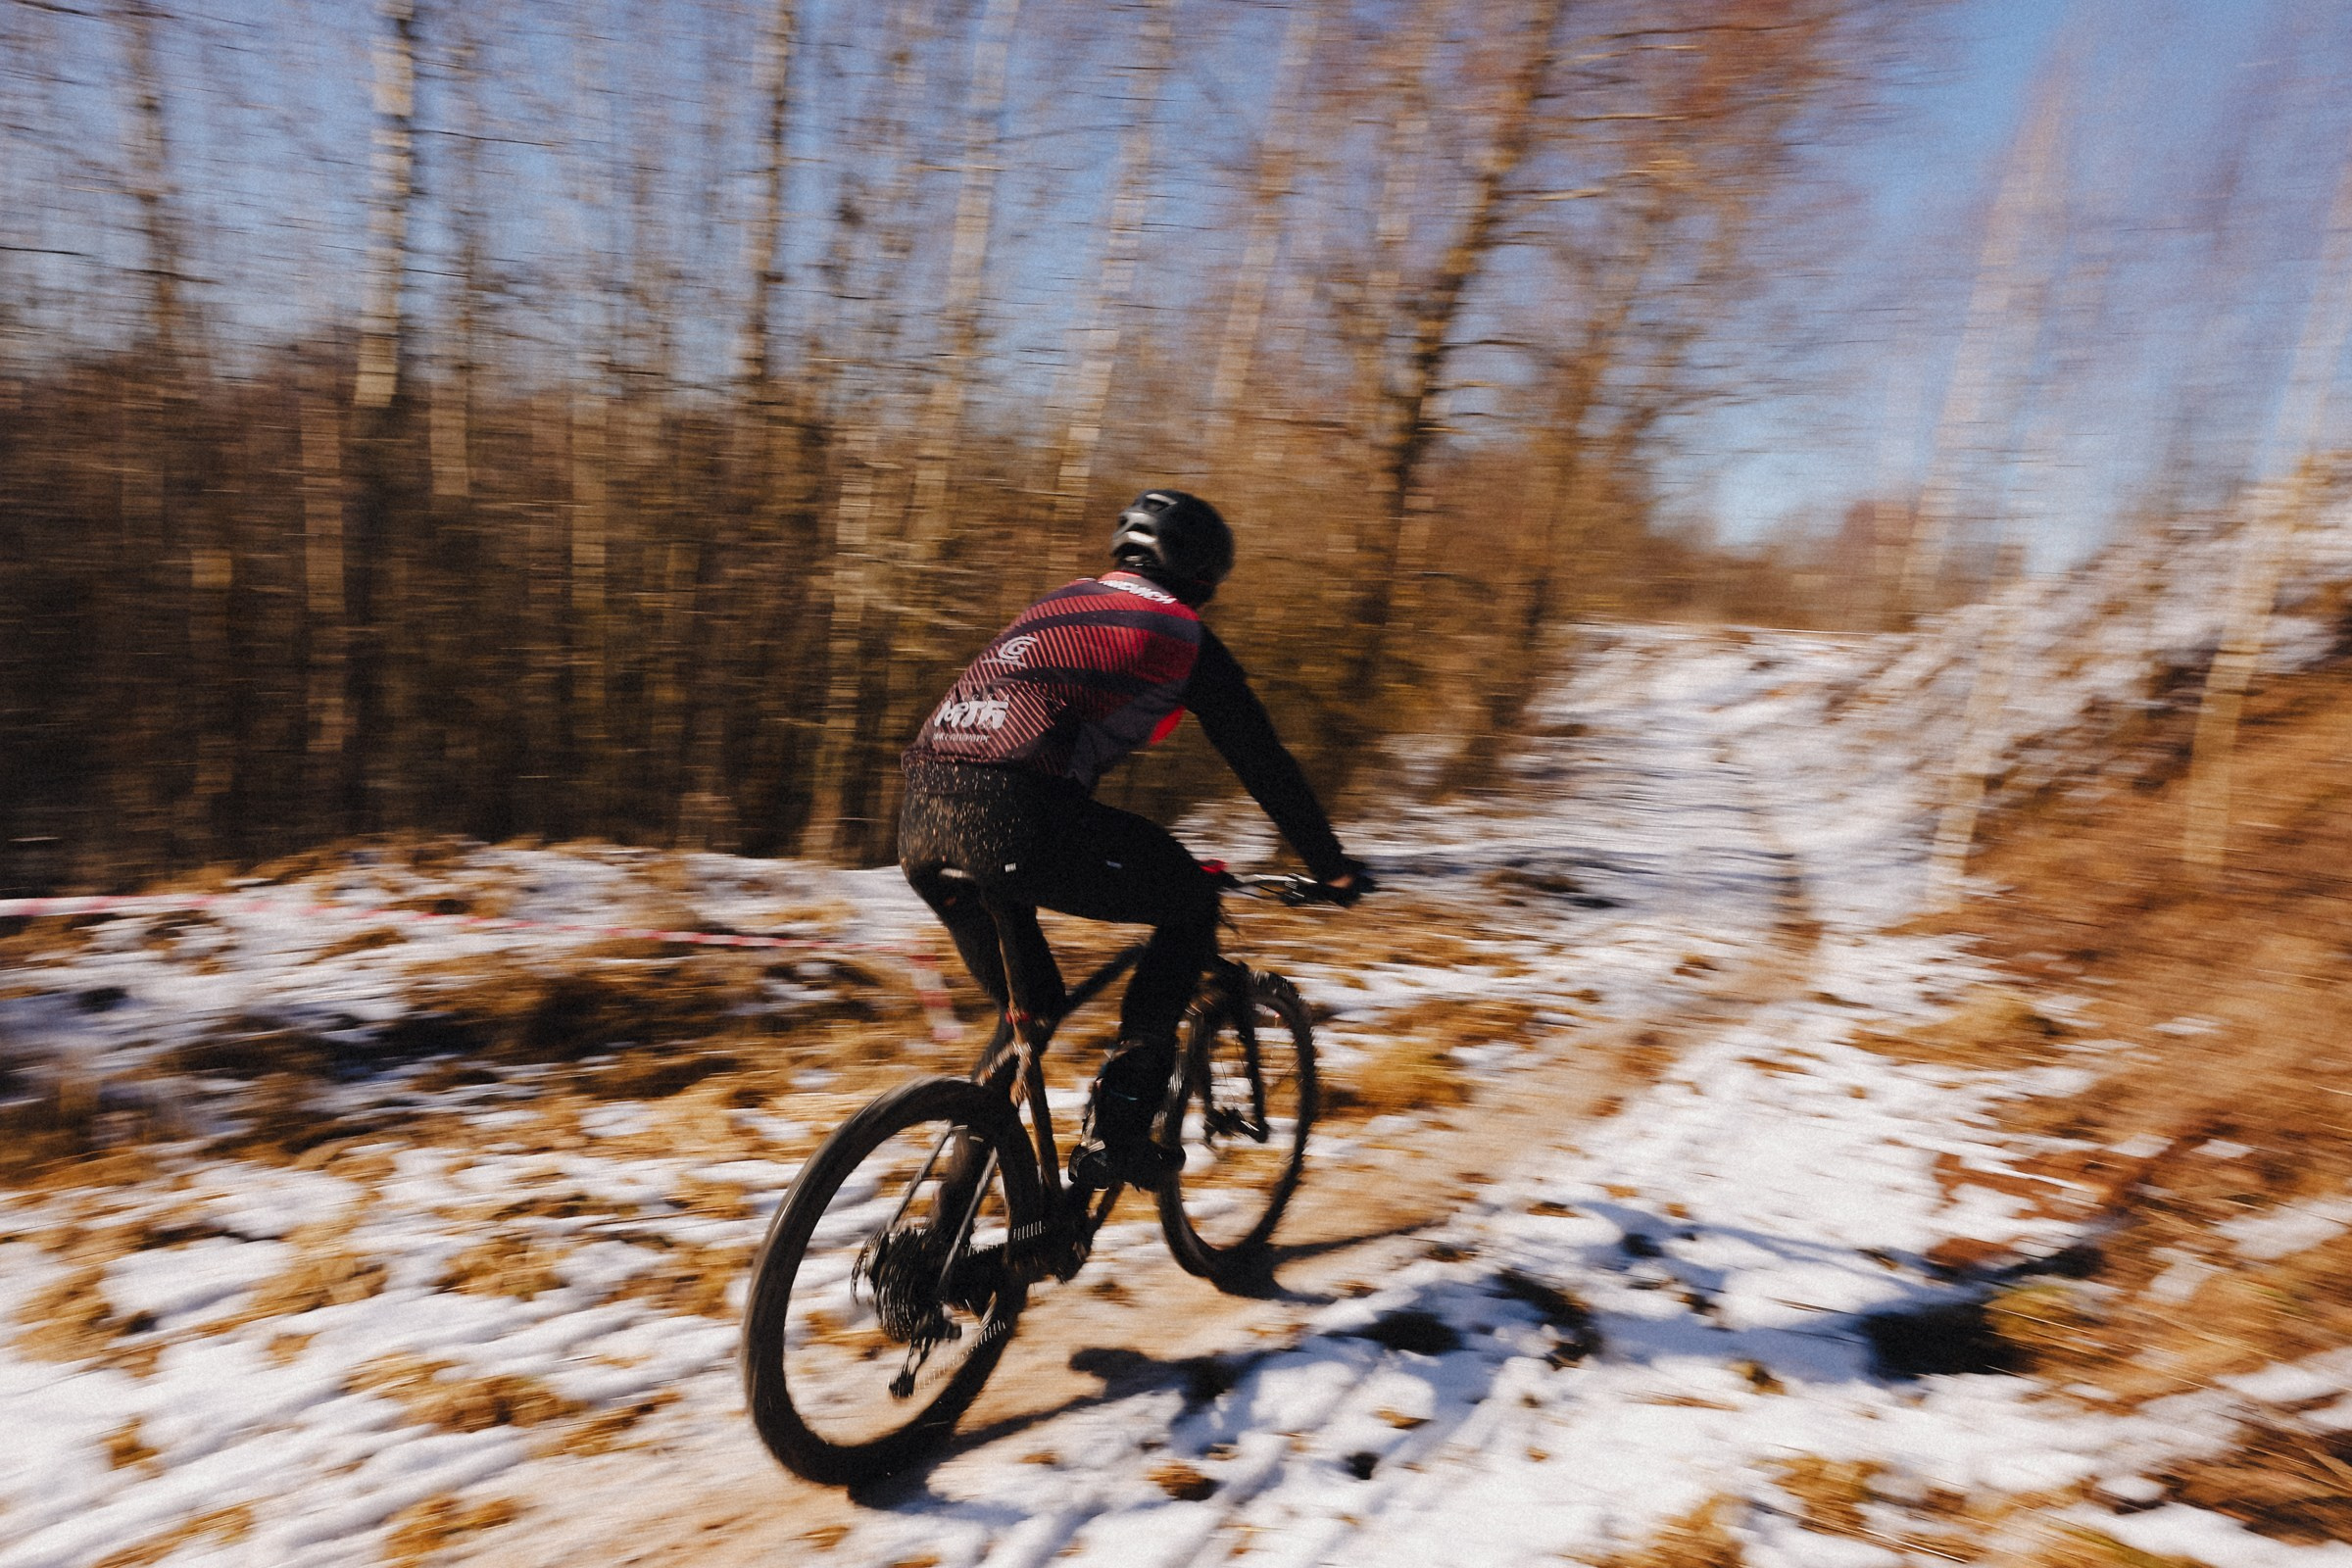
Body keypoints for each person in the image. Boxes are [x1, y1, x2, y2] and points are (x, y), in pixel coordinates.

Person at [899, 489, 1367, 1190]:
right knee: (1188, 904)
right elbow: (1264, 762)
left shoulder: (1058, 604)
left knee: (1028, 1014)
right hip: (1015, 818)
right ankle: (1117, 1130)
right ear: (1204, 576)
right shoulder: (1181, 633)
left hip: (920, 818)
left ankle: (935, 1245)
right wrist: (1330, 868)